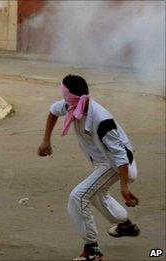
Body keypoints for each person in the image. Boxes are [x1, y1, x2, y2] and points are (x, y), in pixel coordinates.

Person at [37, 75, 140, 261]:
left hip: (117, 165)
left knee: (78, 197)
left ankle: (92, 250)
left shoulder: (101, 120)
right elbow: (52, 112)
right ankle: (126, 225)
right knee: (97, 193)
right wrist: (46, 140)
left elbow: (120, 156)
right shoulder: (72, 106)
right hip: (104, 163)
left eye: (63, 92)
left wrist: (124, 187)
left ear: (71, 96)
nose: (62, 95)